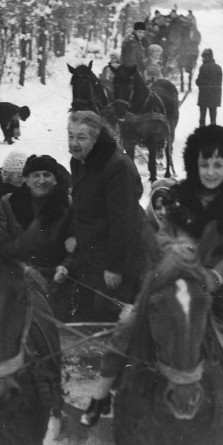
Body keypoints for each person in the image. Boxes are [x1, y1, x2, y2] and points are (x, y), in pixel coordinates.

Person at [85, 126, 223, 445]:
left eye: (219, 165)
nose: (211, 172)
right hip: (177, 277)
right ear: (194, 164)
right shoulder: (179, 197)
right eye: (205, 165)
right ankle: (101, 393)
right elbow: (162, 235)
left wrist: (215, 274)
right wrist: (177, 250)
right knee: (129, 323)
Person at [53, 110, 145, 323]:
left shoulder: (117, 167)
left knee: (107, 312)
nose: (74, 143)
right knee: (79, 308)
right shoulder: (78, 161)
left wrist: (115, 268)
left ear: (96, 138)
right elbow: (82, 205)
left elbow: (123, 221)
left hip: (116, 256)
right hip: (89, 253)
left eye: (81, 137)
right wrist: (75, 234)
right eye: (70, 136)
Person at [0, 154, 71, 276]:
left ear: (55, 179)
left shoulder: (68, 205)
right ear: (27, 180)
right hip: (19, 276)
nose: (41, 180)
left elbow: (78, 244)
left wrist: (65, 267)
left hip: (57, 276)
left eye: (47, 175)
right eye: (36, 175)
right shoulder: (8, 203)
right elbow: (0, 241)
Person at [195, 48, 222, 127]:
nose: (202, 59)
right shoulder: (218, 67)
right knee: (213, 117)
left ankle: (201, 132)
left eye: (203, 57)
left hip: (204, 96)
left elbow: (199, 81)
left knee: (202, 118)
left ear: (206, 57)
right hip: (215, 96)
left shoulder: (203, 67)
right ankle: (213, 133)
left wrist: (197, 82)